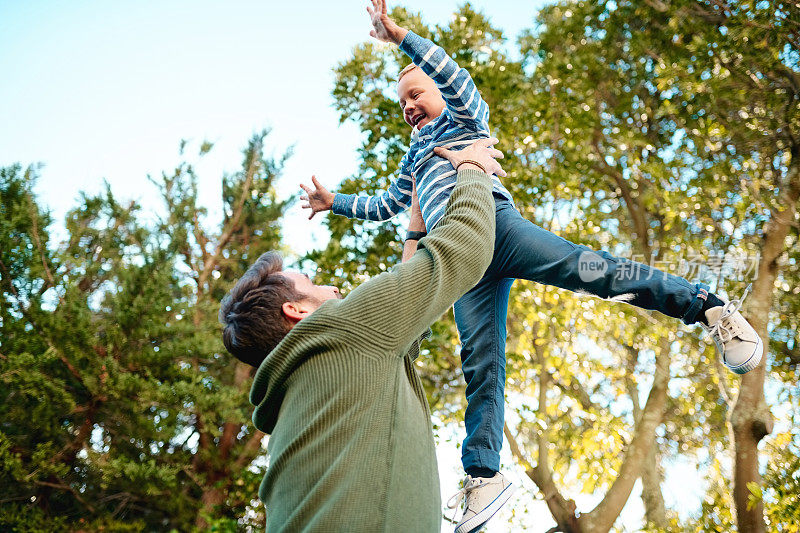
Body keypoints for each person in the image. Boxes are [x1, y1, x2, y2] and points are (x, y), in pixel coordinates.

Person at [299, 2, 764, 531]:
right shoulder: (413, 157)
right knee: (481, 362)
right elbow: (386, 205)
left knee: (597, 272)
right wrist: (333, 200)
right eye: (401, 102)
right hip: (459, 253)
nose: (408, 106)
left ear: (439, 93)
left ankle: (709, 308)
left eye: (415, 94)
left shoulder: (463, 117)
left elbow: (455, 78)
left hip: (498, 227)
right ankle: (484, 474)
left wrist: (401, 37)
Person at [219, 140, 505, 532]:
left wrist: (415, 226)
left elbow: (404, 329)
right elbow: (463, 250)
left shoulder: (294, 399)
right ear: (296, 311)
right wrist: (472, 168)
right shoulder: (343, 328)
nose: (334, 290)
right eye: (313, 283)